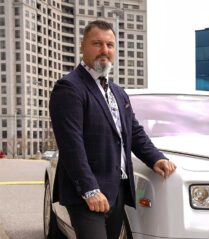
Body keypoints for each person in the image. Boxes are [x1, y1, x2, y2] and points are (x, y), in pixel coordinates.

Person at [49, 20, 176, 239]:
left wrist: (156, 158)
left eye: (110, 45)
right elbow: (71, 145)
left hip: (117, 189)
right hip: (87, 193)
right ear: (82, 46)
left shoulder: (118, 92)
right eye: (97, 43)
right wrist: (90, 190)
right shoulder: (69, 88)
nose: (104, 50)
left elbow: (133, 132)